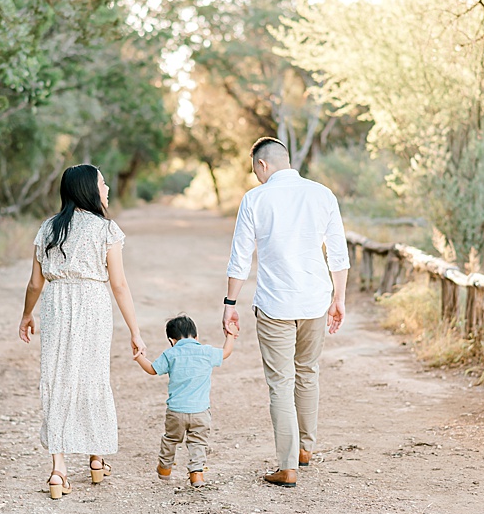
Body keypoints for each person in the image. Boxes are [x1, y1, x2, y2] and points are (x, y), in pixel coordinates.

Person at [224, 137, 349, 489]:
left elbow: (239, 259)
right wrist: (339, 298)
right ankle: (305, 450)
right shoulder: (322, 194)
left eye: (255, 170)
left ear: (262, 165)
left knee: (281, 382)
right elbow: (338, 253)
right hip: (314, 300)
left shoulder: (255, 199)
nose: (256, 176)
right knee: (308, 372)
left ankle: (287, 465)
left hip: (275, 304)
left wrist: (229, 305)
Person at [18, 164, 146, 499]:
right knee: (92, 376)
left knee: (57, 379)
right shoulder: (105, 230)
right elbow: (118, 284)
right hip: (93, 304)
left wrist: (27, 315)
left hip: (57, 305)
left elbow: (35, 282)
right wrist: (135, 330)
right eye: (103, 184)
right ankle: (95, 457)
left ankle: (58, 470)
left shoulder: (48, 229)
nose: (107, 189)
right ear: (89, 189)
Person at [134, 315, 235, 488]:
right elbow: (226, 352)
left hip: (176, 411)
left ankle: (165, 469)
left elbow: (152, 369)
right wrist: (230, 335)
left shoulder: (171, 354)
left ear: (171, 340)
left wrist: (139, 357)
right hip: (200, 412)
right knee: (197, 442)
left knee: (171, 439)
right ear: (196, 337)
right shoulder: (205, 351)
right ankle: (196, 474)